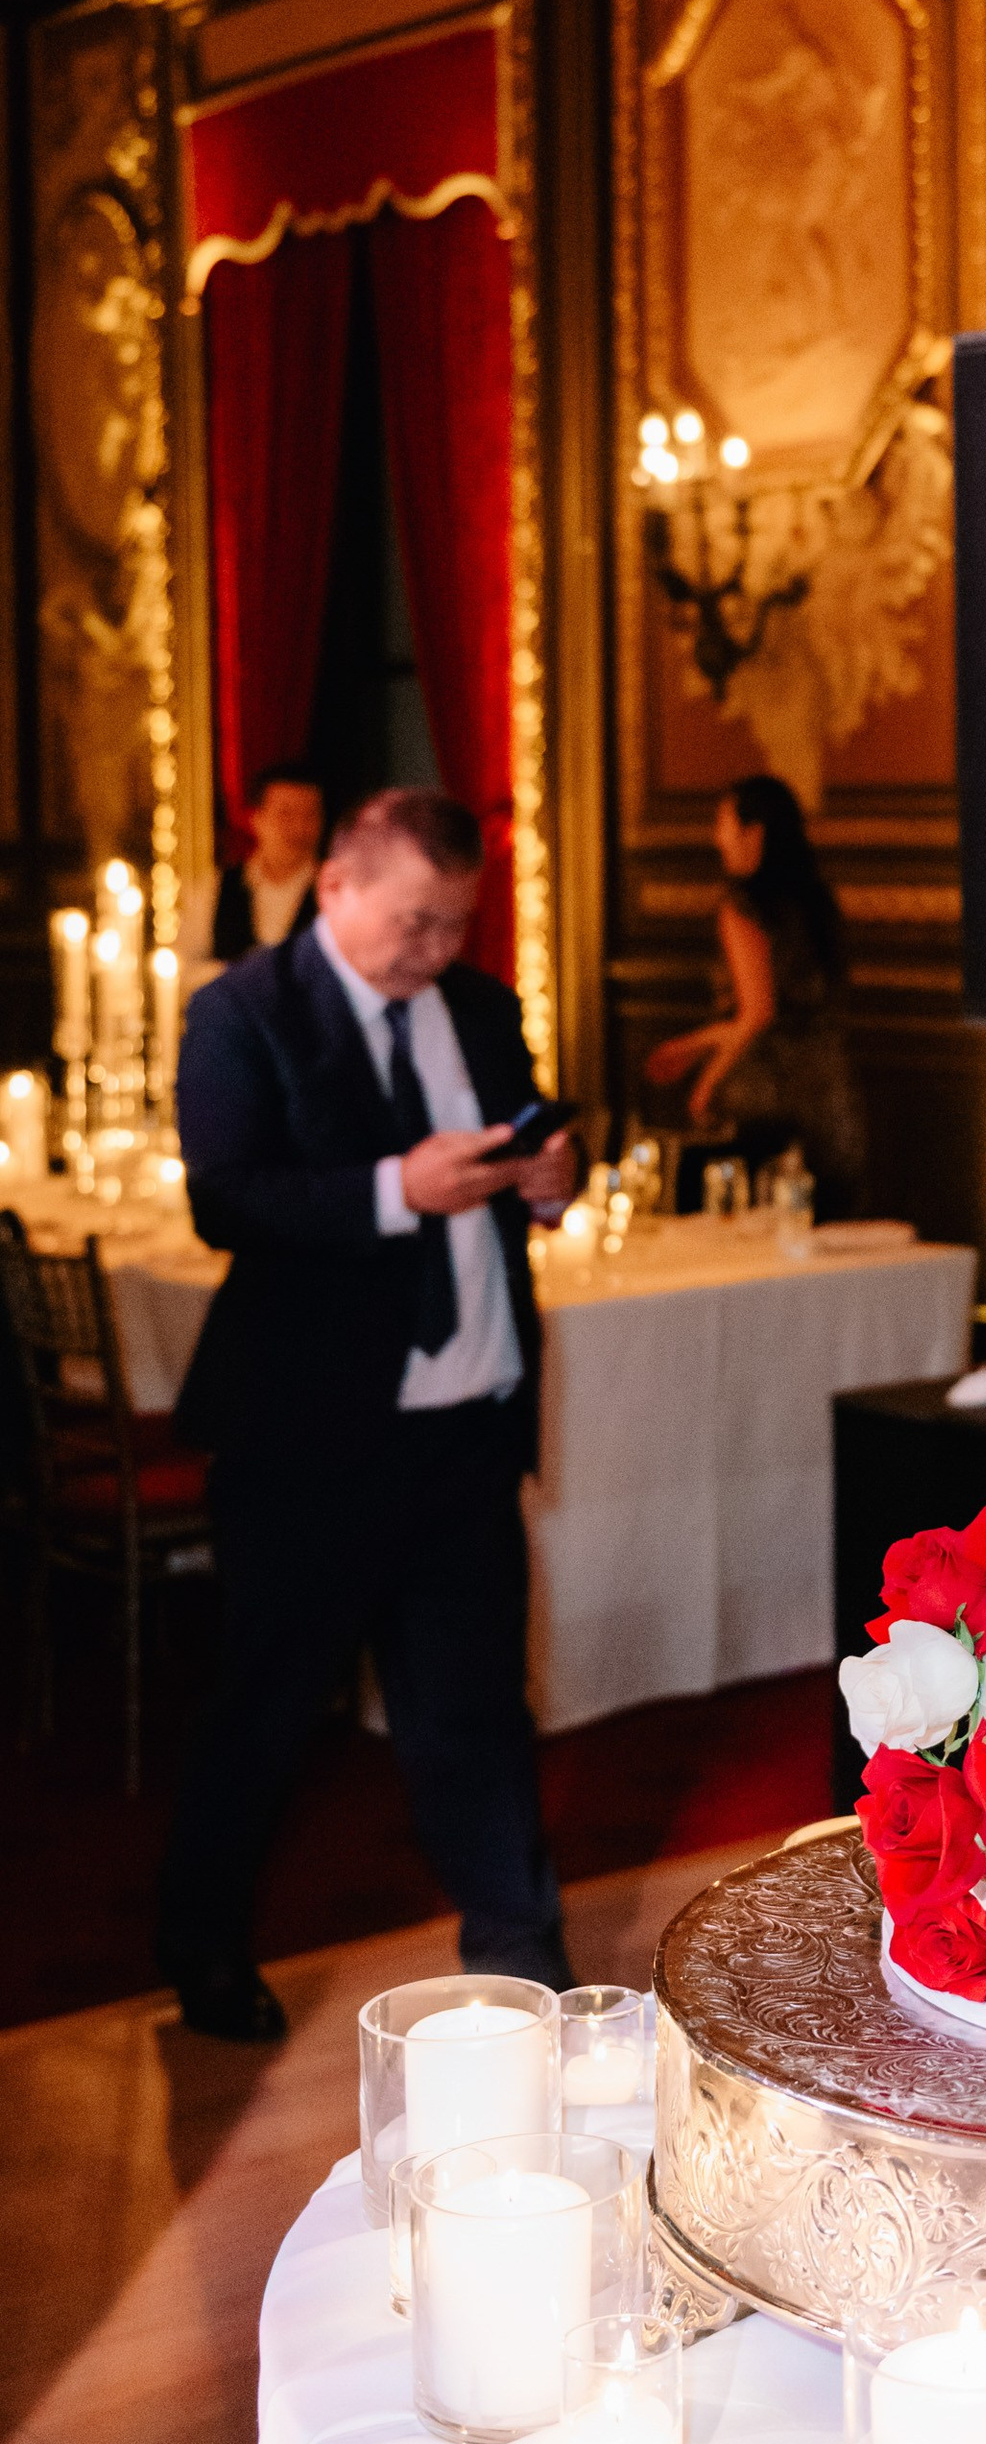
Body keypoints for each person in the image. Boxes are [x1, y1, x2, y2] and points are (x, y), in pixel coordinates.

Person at [161, 788, 580, 2041]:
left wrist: (555, 1180)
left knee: (475, 1714)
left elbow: (528, 1146)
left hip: (465, 1427)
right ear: (339, 883)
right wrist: (399, 1188)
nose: (435, 952)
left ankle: (526, 1973)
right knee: (272, 1706)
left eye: (453, 926)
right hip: (311, 1440)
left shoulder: (483, 1007)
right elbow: (228, 1199)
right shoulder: (242, 1012)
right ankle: (203, 1949)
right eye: (413, 923)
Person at [644, 774, 868, 1210]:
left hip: (771, 1103)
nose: (716, 839)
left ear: (754, 832)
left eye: (723, 825)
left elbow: (759, 1014)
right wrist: (694, 1045)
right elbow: (790, 1009)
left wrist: (708, 1080)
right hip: (833, 1093)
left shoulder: (742, 907)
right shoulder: (817, 902)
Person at [176, 756, 325, 1001]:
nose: (300, 828)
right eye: (286, 815)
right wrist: (239, 977)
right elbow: (181, 973)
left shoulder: (337, 895)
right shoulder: (216, 888)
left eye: (310, 815)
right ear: (257, 820)